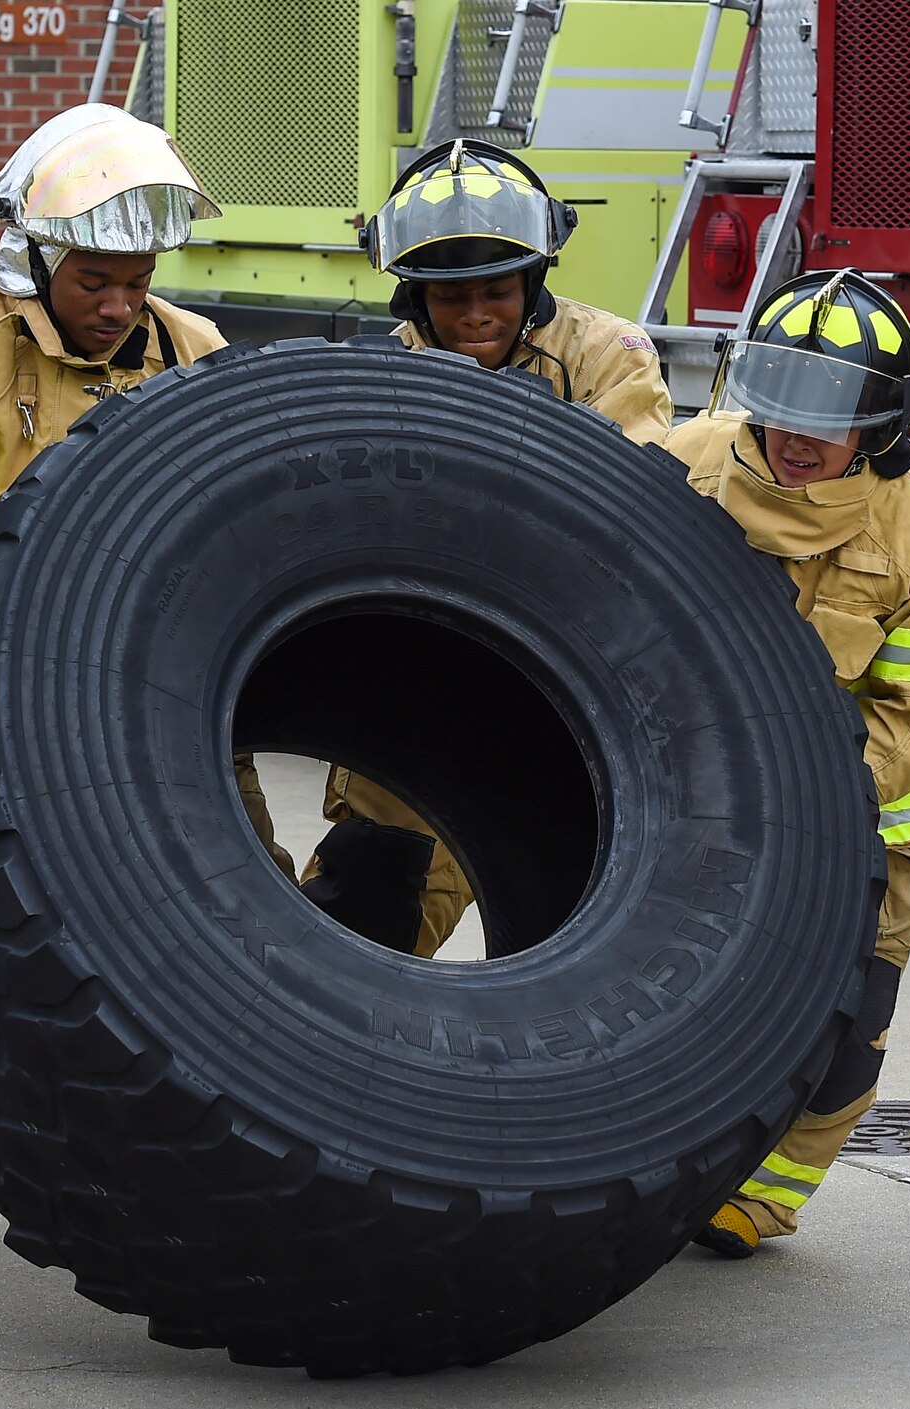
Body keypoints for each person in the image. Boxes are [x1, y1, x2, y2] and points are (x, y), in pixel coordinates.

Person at [0, 104, 294, 1210]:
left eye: (135, 277)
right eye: (93, 279)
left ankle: (256, 1102)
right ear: (36, 259)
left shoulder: (192, 351)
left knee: (245, 887)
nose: (116, 305)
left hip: (165, 688)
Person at [661, 269, 910, 1257]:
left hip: (866, 823)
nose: (796, 434)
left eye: (831, 411)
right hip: (677, 804)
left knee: (843, 1031)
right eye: (779, 402)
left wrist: (779, 796)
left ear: (885, 421)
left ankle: (765, 1194)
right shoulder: (679, 463)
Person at [302, 138, 676, 958]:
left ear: (534, 283)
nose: (477, 314)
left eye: (498, 292)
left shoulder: (611, 358)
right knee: (356, 946)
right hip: (414, 700)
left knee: (568, 959)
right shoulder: (379, 379)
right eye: (451, 296)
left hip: (559, 704)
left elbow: (632, 512)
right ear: (412, 296)